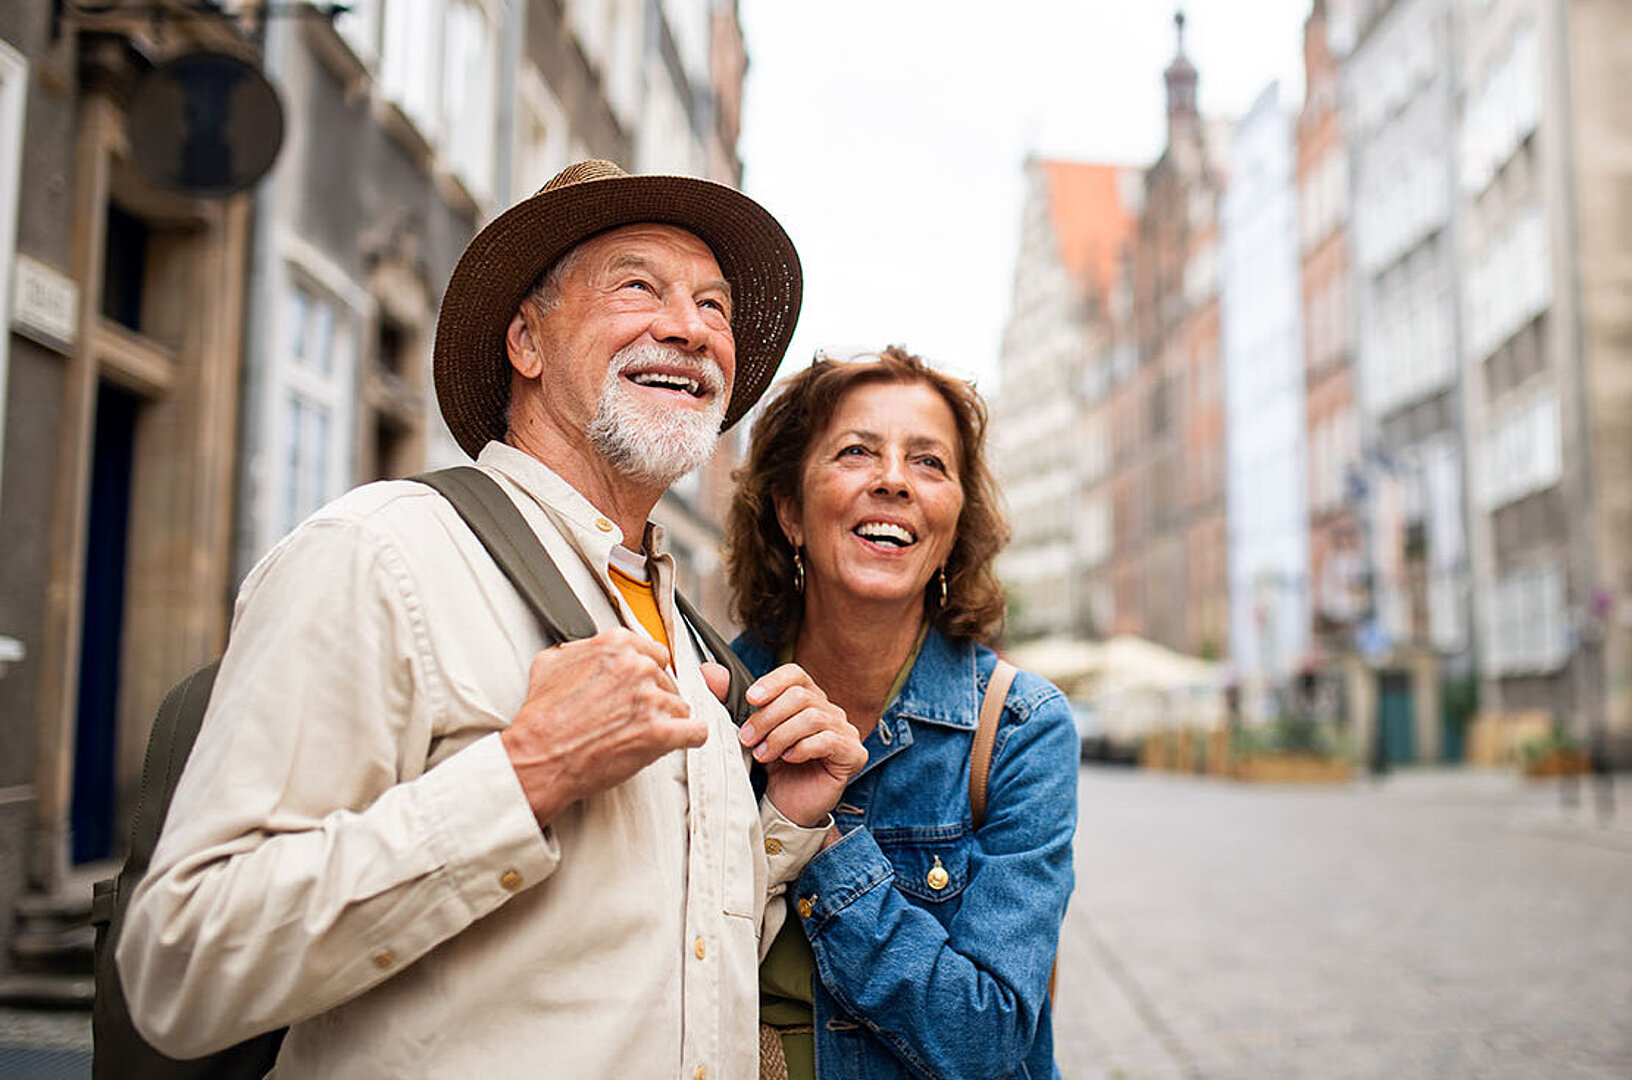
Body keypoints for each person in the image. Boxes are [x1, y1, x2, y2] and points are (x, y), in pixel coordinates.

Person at [116, 161, 867, 1077]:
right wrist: (525, 776)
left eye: (714, 308)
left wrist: (781, 828)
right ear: (526, 340)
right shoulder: (379, 553)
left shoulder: (689, 640)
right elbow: (182, 966)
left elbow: (655, 972)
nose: (690, 328)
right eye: (638, 286)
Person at [722, 346, 1079, 1080]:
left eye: (929, 463)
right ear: (789, 510)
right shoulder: (714, 699)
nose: (892, 480)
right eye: (856, 451)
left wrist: (820, 840)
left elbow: (987, 1040)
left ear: (954, 525)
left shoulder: (1018, 729)